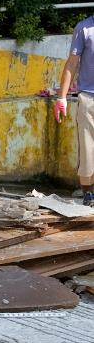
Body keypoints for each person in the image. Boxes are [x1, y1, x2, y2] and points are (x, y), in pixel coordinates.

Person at [54, 14, 94, 206]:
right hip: (88, 98)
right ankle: (88, 193)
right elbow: (72, 63)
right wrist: (62, 97)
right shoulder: (84, 28)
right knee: (87, 149)